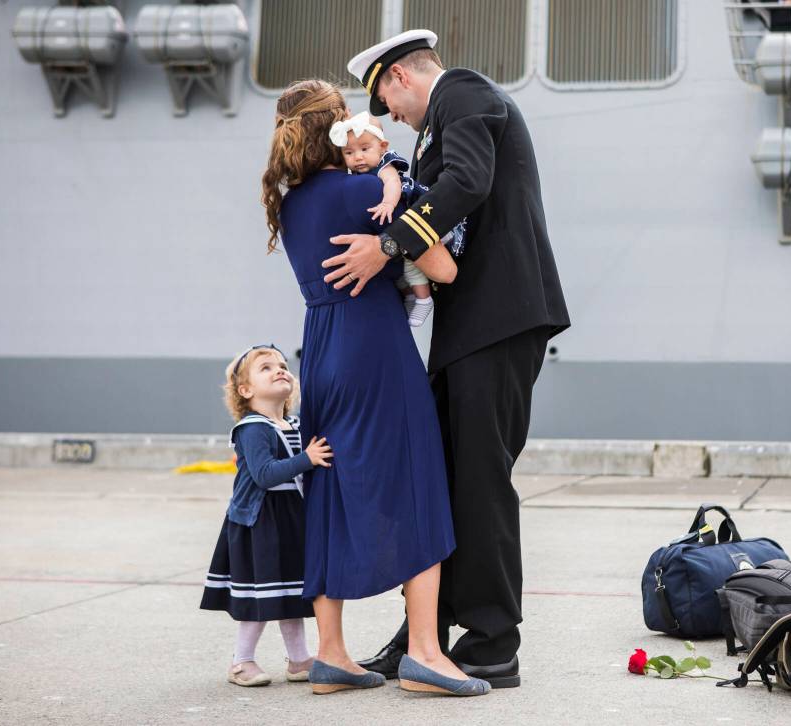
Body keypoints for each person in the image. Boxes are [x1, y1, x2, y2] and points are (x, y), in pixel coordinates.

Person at [326, 29, 570, 688]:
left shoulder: (463, 93)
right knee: (442, 481)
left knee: (480, 479)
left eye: (387, 102)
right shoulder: (437, 125)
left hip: (500, 317)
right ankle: (427, 637)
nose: (390, 118)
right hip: (469, 328)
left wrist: (386, 247)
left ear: (401, 77)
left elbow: (467, 180)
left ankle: (494, 640)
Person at [260, 78, 490, 697]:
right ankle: (424, 653)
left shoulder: (292, 202)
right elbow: (442, 267)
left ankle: (331, 655)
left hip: (322, 350)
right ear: (339, 128)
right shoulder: (364, 190)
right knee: (418, 483)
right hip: (375, 349)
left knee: (330, 489)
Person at [199, 344, 332, 687]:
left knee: (289, 592)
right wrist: (308, 458)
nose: (279, 370)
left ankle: (300, 659)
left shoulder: (294, 424)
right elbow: (264, 474)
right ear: (245, 390)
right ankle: (241, 662)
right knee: (260, 595)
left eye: (283, 365)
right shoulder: (252, 427)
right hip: (258, 522)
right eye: (266, 367)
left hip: (288, 518)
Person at [330, 110, 468, 327]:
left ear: (382, 146)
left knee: (411, 262)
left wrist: (388, 204)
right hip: (393, 224)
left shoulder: (384, 165)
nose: (357, 157)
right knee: (399, 270)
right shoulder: (357, 174)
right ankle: (411, 296)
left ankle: (423, 299)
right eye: (349, 153)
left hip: (412, 214)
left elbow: (393, 183)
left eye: (365, 149)